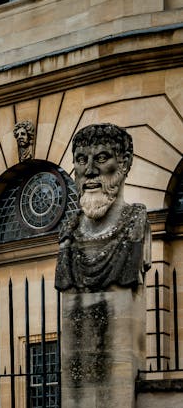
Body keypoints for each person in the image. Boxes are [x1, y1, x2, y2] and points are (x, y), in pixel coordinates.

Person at [55, 123, 151, 293]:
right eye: (81, 160)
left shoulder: (136, 224)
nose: (89, 171)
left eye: (101, 158)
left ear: (125, 163)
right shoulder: (67, 232)